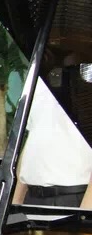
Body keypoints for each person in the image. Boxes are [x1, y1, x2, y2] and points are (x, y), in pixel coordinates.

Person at [13, 76, 92, 209]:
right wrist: (16, 200)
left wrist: (86, 209)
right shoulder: (36, 77)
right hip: (31, 198)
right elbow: (34, 136)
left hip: (76, 198)